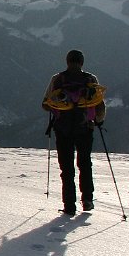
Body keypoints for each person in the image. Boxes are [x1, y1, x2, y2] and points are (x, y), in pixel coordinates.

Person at [42, 49, 106, 215]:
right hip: (85, 128)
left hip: (63, 129)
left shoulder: (57, 79)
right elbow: (100, 105)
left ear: (67, 61)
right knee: (85, 164)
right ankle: (87, 200)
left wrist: (59, 107)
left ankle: (69, 204)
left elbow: (45, 104)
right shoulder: (91, 80)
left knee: (67, 168)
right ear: (82, 62)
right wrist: (98, 121)